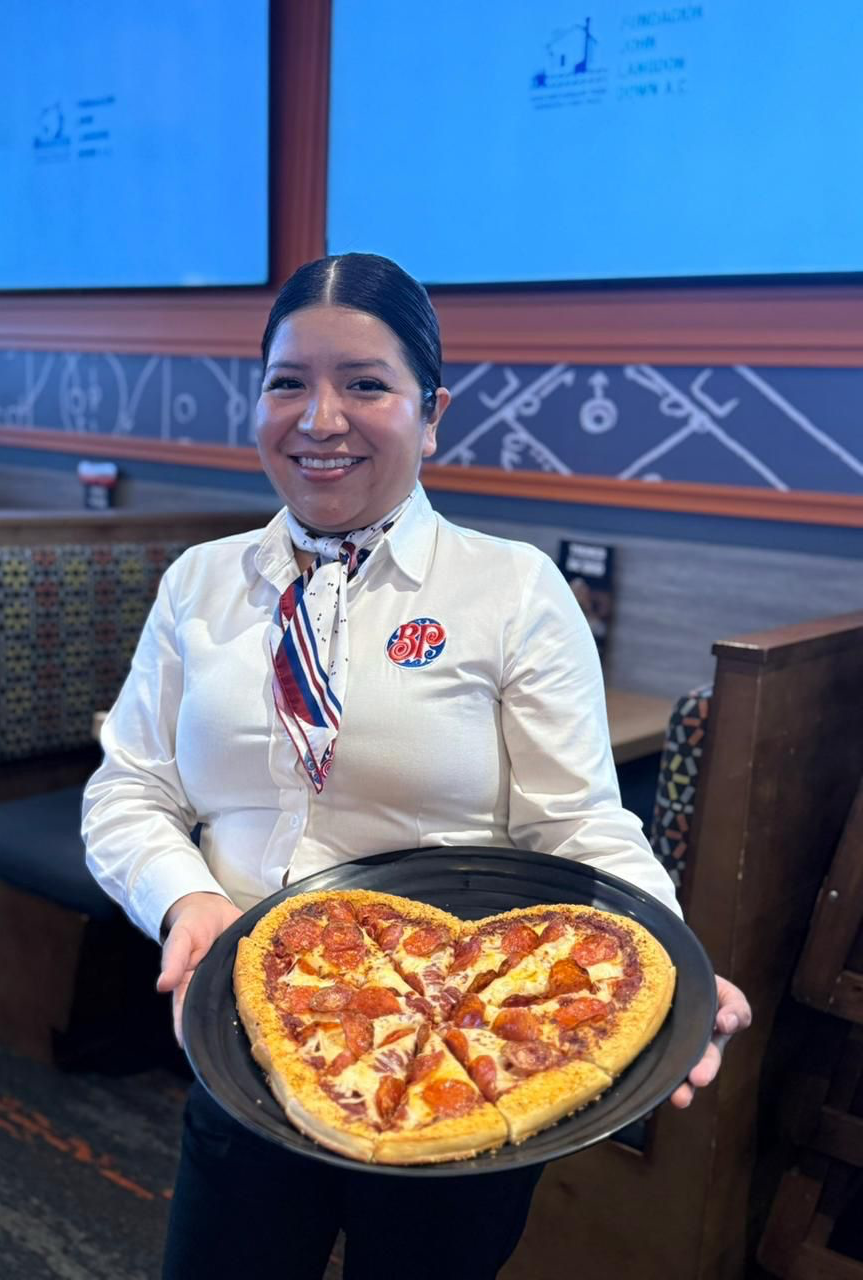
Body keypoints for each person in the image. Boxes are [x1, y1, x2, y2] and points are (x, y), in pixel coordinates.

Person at [82, 252, 751, 1280]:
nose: (320, 419)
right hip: (245, 1029)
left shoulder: (512, 590)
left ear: (431, 413)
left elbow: (579, 822)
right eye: (288, 382)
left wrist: (670, 965)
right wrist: (186, 901)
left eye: (365, 384)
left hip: (467, 1040)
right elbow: (130, 786)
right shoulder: (200, 583)